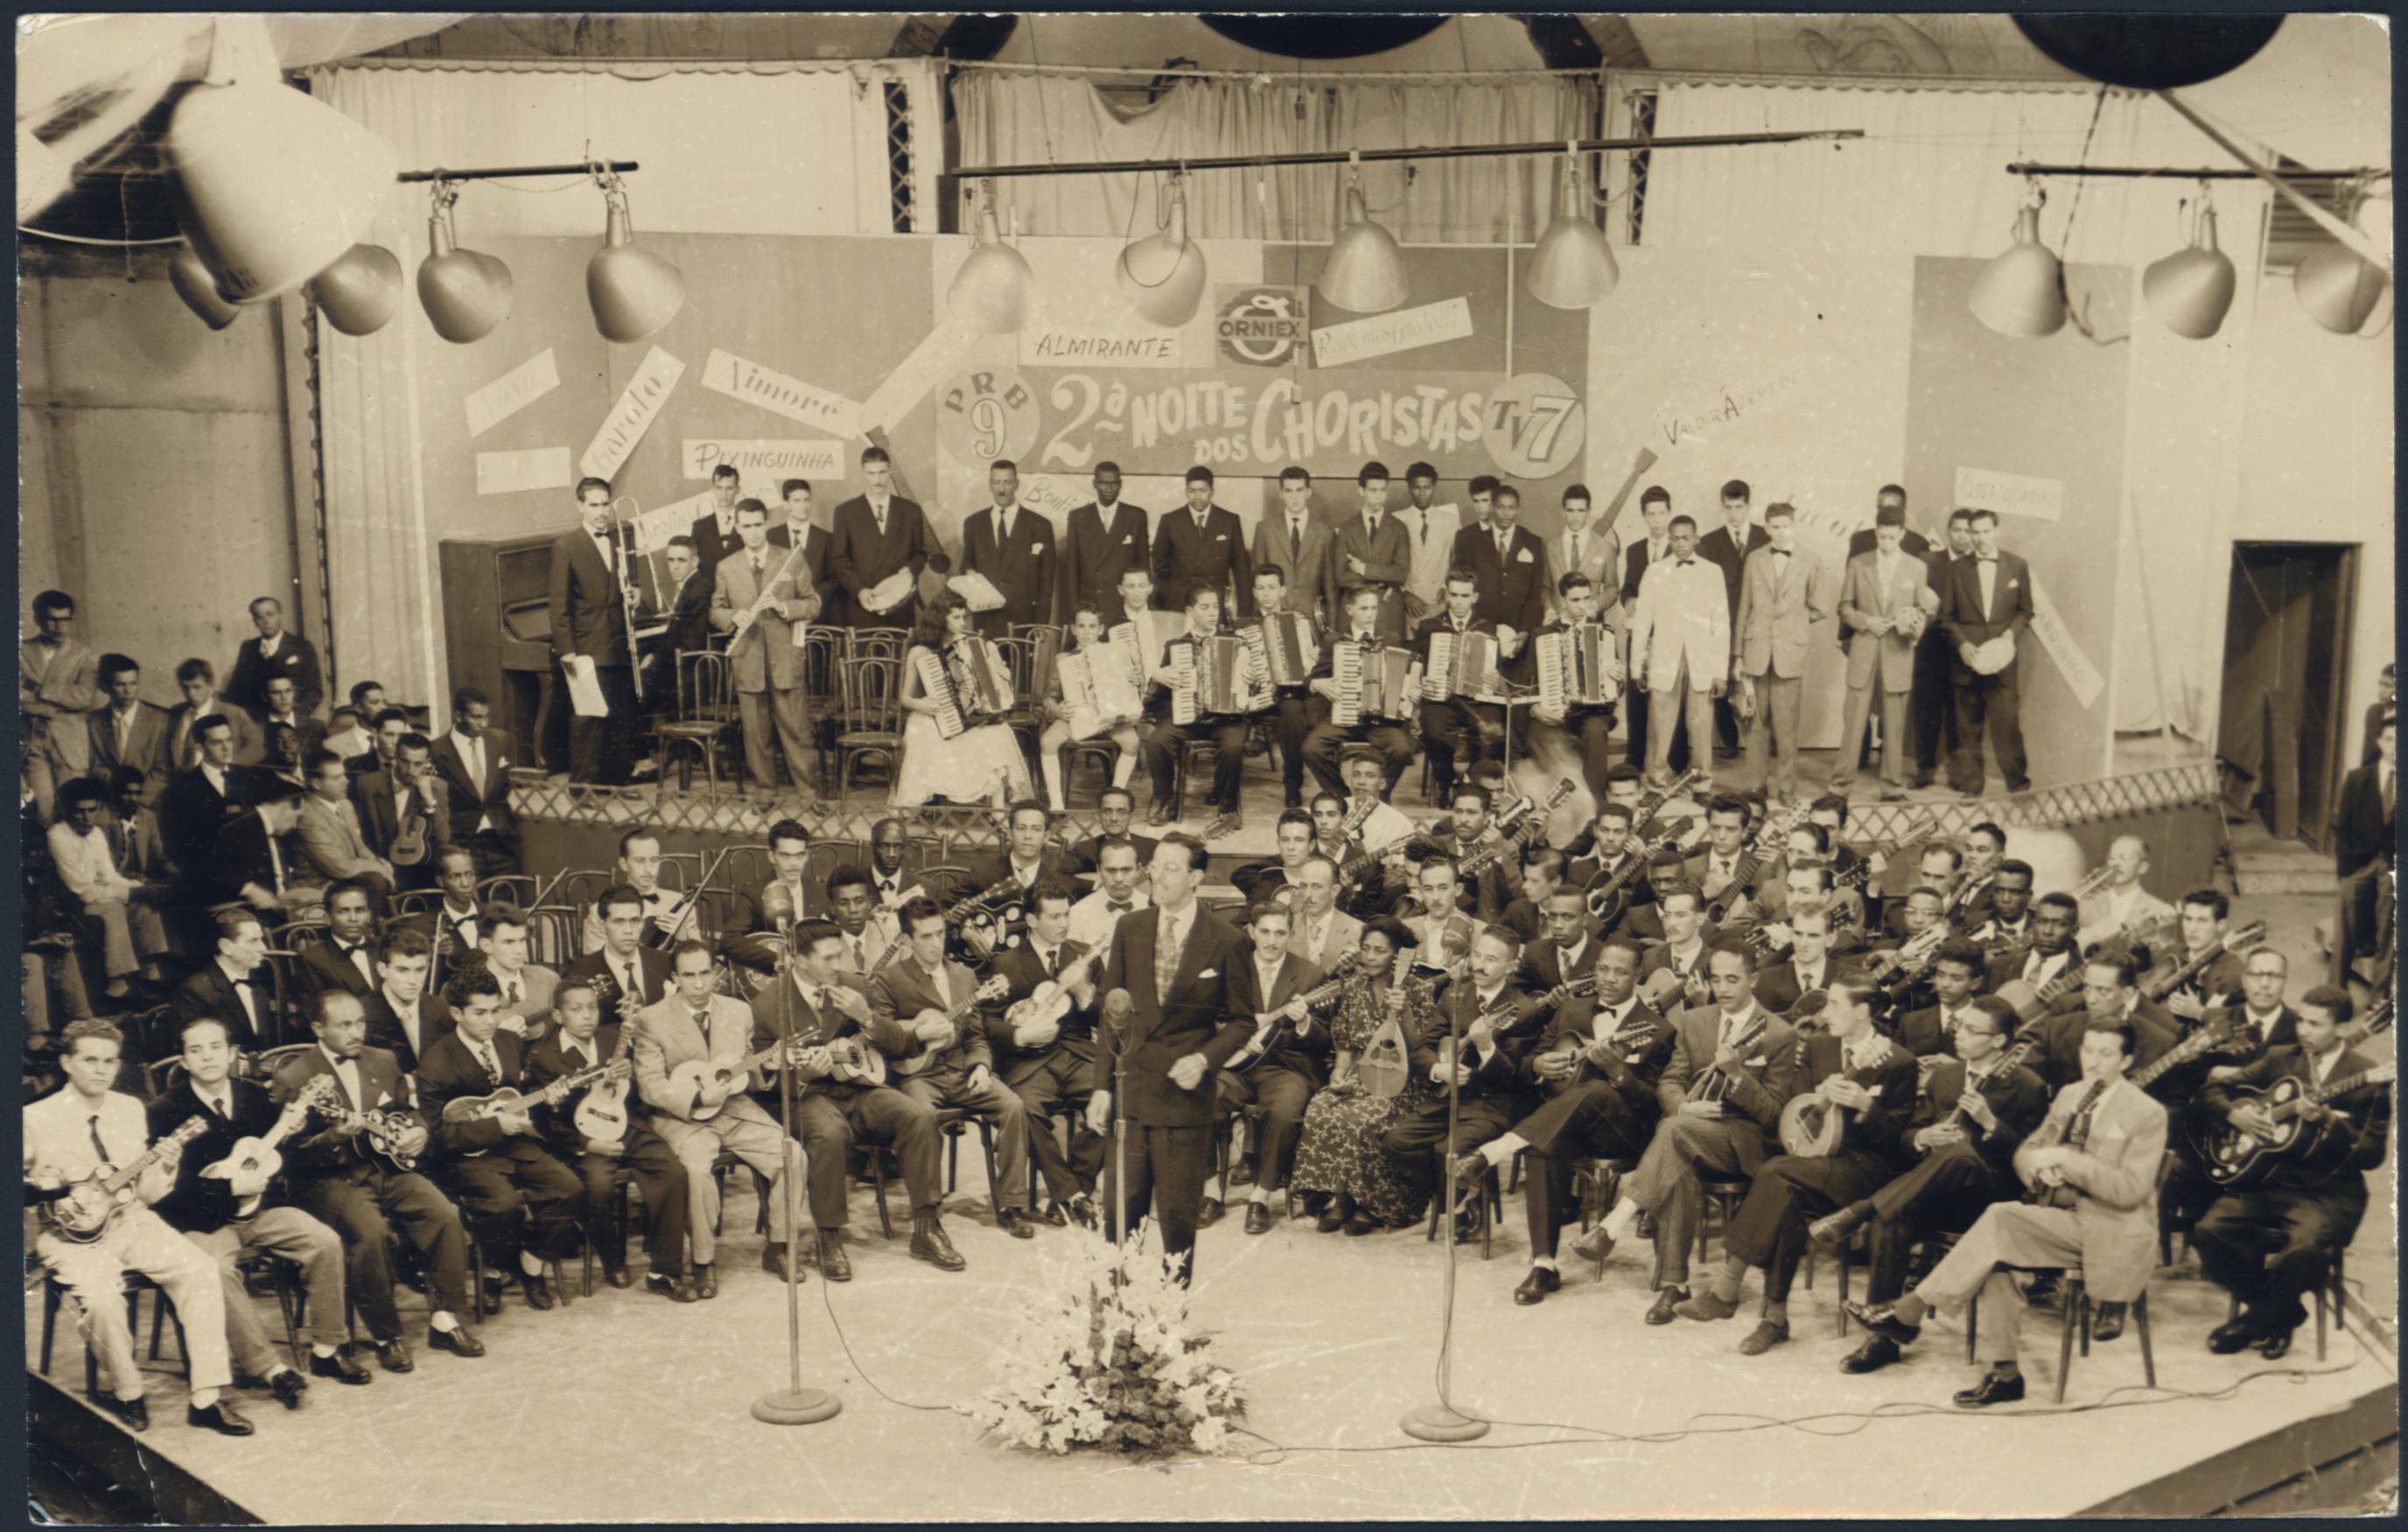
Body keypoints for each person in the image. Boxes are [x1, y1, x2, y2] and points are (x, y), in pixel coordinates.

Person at [1844, 1023, 2168, 1409]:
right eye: (2089, 1050)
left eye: (2106, 1054)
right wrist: (2036, 1165)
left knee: (2001, 1218)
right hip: (2059, 1217)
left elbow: (2130, 1190)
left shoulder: (2147, 1113)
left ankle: (1909, 1310)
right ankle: (2005, 1374)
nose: (2094, 1062)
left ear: (2126, 1061)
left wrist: (2067, 1160)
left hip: (2111, 1230)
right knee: (1997, 1256)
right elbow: (2026, 1151)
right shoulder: (2070, 1095)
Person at [26, 1019, 252, 1435]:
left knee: (201, 1270)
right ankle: (129, 1393)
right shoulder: (35, 1118)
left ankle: (206, 1399)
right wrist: (50, 1189)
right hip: (70, 1237)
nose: (101, 1070)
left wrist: (166, 1162)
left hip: (132, 1221)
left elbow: (147, 1195)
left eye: (110, 1061)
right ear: (67, 1062)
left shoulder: (130, 1109)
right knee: (101, 1298)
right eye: (90, 1060)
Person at [1674, 978, 1916, 1354]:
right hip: (1811, 1160)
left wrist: (1866, 1107)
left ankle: (1728, 1289)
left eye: (1835, 1005)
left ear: (1863, 1012)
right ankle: (1774, 1318)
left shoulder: (1898, 1061)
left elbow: (1900, 1140)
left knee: (1776, 1173)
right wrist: (1819, 1098)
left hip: (1866, 1168)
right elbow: (1791, 1107)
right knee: (1786, 1192)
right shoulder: (1820, 1047)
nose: (1826, 1013)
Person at [1818, 995, 2050, 1373]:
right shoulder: (1946, 1076)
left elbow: (2029, 1160)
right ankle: (1883, 1338)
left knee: (1959, 1154)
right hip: (1938, 1191)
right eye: (1961, 1026)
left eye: (1973, 1031)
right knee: (1891, 1223)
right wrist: (1923, 1138)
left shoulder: (2028, 1085)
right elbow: (1907, 1136)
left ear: (1999, 1041)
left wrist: (1992, 1124)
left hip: (1990, 1200)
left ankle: (1861, 1208)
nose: (1960, 1035)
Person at [1577, 943, 1799, 1321]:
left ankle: (1615, 1222)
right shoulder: (1696, 1021)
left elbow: (1773, 1115)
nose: (1723, 988)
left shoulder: (1779, 1033)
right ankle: (1674, 1286)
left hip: (1742, 1142)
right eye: (1716, 979)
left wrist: (1737, 1076)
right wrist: (1684, 1106)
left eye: (1733, 979)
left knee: (1672, 1132)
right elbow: (1671, 1081)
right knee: (1676, 1150)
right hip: (1689, 1132)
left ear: (1754, 980)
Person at [148, 1016, 362, 1406]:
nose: (208, 1057)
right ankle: (269, 1368)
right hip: (201, 1223)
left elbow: (281, 1158)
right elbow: (165, 1194)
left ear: (232, 1054)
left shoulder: (252, 1095)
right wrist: (227, 1187)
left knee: (325, 1241)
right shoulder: (165, 1109)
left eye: (216, 1048)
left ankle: (328, 1350)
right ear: (183, 1059)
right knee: (214, 1271)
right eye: (196, 1050)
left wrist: (289, 1133)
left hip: (260, 1213)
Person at [270, 990, 481, 1367]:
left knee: (444, 1213)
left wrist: (418, 1132)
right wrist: (333, 1137)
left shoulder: (383, 1060)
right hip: (329, 1180)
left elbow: (406, 1110)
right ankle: (388, 1336)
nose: (356, 1032)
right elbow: (286, 1158)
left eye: (361, 1022)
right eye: (344, 1025)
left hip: (386, 1166)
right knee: (372, 1233)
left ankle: (444, 1319)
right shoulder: (294, 1076)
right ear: (318, 1027)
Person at [2193, 986, 2390, 1360]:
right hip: (2270, 1180)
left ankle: (2259, 1320)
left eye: (2315, 1024)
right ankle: (2281, 1313)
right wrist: (2235, 1114)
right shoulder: (2281, 1058)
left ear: (2342, 1028)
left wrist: (2332, 1122)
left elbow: (2372, 1154)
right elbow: (2211, 1090)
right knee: (2209, 1232)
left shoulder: (2367, 1075)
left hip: (2328, 1194)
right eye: (2301, 1019)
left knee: (2302, 1251)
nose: (2303, 1030)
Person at [1088, 834, 1250, 1281]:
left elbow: (1242, 1021)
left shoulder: (1227, 939)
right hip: (1132, 1096)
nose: (1157, 875)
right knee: (1120, 1222)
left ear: (1196, 877)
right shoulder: (1130, 928)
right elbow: (1111, 1015)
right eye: (1155, 865)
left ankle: (1167, 1330)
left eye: (1171, 867)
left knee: (1178, 1228)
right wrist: (1102, 1086)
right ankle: (1117, 1321)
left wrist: (1204, 1059)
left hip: (1184, 1104)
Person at [1474, 938, 1671, 1302]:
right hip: (1566, 1122)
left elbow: (1653, 1104)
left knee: (1596, 1092)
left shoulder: (1658, 1028)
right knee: (1542, 1145)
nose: (1609, 978)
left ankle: (1497, 1149)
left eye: (1620, 972)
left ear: (1638, 976)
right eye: (1603, 969)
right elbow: (1526, 1062)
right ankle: (1543, 1265)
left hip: (1622, 1132)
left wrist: (1618, 1073)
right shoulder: (1570, 1010)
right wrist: (1537, 1064)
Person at [760, 918, 959, 1279]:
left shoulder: (853, 985)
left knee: (918, 1116)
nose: (839, 966)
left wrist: (865, 1017)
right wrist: (800, 1074)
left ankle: (927, 1228)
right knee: (829, 1135)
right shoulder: (770, 1003)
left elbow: (899, 1042)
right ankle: (829, 1236)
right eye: (829, 958)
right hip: (806, 1097)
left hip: (858, 1087)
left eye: (841, 956)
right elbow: (761, 1083)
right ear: (799, 959)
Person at [634, 941, 806, 1294]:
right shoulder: (651, 1019)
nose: (699, 984)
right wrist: (696, 1096)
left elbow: (744, 1069)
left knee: (793, 1155)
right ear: (675, 978)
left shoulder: (739, 1011)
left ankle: (779, 1246)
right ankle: (703, 1261)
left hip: (735, 1109)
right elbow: (650, 1086)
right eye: (689, 975)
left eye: (705, 974)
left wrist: (769, 1066)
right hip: (681, 1118)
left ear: (716, 973)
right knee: (697, 1172)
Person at [871, 895, 1037, 1237]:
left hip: (962, 1069)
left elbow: (976, 1034)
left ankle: (1011, 1205)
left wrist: (980, 1066)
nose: (936, 943)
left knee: (1014, 1106)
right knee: (922, 1116)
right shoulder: (891, 979)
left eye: (940, 933)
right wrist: (918, 1033)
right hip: (918, 1074)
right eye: (926, 937)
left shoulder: (964, 976)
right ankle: (928, 1215)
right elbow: (882, 1036)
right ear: (907, 939)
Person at [524, 976, 695, 1300]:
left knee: (673, 1172)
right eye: (576, 1009)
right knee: (600, 1186)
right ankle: (612, 1259)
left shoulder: (613, 1037)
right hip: (582, 1136)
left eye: (592, 1007)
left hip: (627, 1125)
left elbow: (635, 1097)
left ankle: (664, 1269)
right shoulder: (545, 1057)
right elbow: (544, 1124)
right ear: (558, 1016)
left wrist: (629, 1078)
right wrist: (587, 1145)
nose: (587, 1015)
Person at [1290, 916, 1436, 1233]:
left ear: (1397, 955)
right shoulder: (1354, 986)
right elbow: (1344, 1040)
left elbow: (1424, 1047)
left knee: (1365, 1118)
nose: (1369, 956)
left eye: (1379, 951)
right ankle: (1343, 1198)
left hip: (1402, 1080)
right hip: (1359, 1071)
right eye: (1365, 949)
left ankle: (1374, 1204)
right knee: (1321, 1109)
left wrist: (1406, 1010)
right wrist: (1339, 1075)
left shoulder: (1418, 989)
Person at [984, 879, 1106, 1226]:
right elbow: (988, 1024)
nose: (1064, 924)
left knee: (1116, 1102)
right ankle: (1072, 1195)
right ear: (1032, 920)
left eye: (1066, 914)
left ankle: (1072, 1191)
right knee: (1026, 1110)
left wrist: (1084, 992)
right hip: (1031, 1063)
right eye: (1054, 917)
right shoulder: (1005, 963)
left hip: (1080, 1054)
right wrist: (1020, 1034)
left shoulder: (1085, 957)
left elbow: (1112, 1015)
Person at [1207, 902, 1330, 1235]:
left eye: (1280, 933)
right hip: (1237, 1066)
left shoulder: (1310, 975)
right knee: (1203, 1096)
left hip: (1285, 1066)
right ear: (1251, 931)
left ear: (1291, 934)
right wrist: (1233, 1038)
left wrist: (1304, 1021)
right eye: (1265, 932)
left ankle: (1261, 1196)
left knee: (1286, 1111)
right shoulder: (1230, 968)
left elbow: (1325, 1038)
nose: (1272, 941)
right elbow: (1207, 1020)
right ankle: (1209, 1192)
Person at [711, 497, 822, 798]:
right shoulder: (726, 566)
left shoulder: (791, 558)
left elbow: (813, 603)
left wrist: (784, 607)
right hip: (747, 659)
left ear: (767, 524)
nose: (753, 532)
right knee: (756, 734)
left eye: (758, 525)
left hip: (785, 659)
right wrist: (734, 615)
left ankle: (808, 792)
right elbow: (716, 610)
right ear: (737, 527)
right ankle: (765, 791)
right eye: (746, 526)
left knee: (796, 731)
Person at [1730, 502, 1834, 806]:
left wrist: (1793, 627)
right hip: (1756, 652)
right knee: (1756, 724)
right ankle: (1755, 786)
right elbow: (1744, 608)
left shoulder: (1811, 560)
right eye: (1774, 527)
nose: (1780, 532)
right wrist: (1738, 655)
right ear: (1766, 529)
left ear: (1794, 525)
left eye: (1785, 526)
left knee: (1787, 728)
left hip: (1790, 654)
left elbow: (1820, 607)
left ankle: (1787, 789)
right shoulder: (1754, 559)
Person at [1140, 584, 1266, 831]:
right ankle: (1166, 801)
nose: (1212, 613)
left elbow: (1253, 692)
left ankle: (1227, 806)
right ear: (1190, 611)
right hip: (1188, 717)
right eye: (1204, 607)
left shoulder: (1237, 642)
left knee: (1232, 746)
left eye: (1215, 607)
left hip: (1226, 719)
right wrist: (1161, 677)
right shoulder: (1176, 647)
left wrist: (1251, 682)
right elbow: (1161, 696)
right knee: (1157, 742)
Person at [892, 592, 1034, 809]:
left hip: (972, 718)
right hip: (932, 716)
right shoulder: (920, 651)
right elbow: (905, 698)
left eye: (963, 617)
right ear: (941, 620)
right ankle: (914, 808)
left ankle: (998, 811)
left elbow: (989, 685)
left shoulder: (972, 646)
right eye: (956, 618)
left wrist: (1001, 673)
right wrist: (920, 704)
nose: (962, 623)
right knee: (923, 737)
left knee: (998, 733)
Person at [1836, 500, 1935, 801]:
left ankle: (1892, 787)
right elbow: (1844, 608)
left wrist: (1912, 623)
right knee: (1854, 723)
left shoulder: (1917, 567)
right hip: (1864, 651)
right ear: (1876, 533)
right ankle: (1839, 786)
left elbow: (1923, 611)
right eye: (1882, 536)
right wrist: (1866, 621)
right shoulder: (1858, 563)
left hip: (1897, 654)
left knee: (1894, 725)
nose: (1887, 543)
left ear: (1902, 533)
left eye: (1892, 537)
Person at [548, 476, 644, 785]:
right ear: (580, 507)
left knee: (620, 716)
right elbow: (558, 604)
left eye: (605, 504)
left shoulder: (620, 539)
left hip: (618, 643)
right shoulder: (567, 545)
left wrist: (635, 595)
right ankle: (584, 787)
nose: (601, 511)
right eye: (594, 505)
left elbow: (628, 586)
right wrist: (568, 651)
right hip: (587, 646)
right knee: (588, 719)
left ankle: (614, 783)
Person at [1628, 514, 1729, 793]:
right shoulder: (1655, 571)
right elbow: (1642, 623)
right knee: (1659, 724)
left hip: (1701, 660)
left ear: (1696, 538)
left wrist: (1720, 672)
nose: (1681, 544)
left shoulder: (1712, 572)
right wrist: (1637, 667)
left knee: (1700, 724)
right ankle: (1657, 781)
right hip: (1664, 659)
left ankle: (1701, 783)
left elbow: (1721, 625)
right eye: (1675, 538)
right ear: (1668, 539)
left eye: (1687, 538)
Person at [1937, 507, 2034, 798]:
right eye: (1974, 532)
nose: (1979, 538)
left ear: (1996, 531)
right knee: (1968, 729)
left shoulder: (2017, 566)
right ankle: (1971, 788)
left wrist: (2009, 636)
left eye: (1985, 532)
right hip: (1966, 662)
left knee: (2006, 726)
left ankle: (2018, 787)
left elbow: (2026, 611)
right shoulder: (1956, 569)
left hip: (2002, 663)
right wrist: (1963, 645)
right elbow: (1946, 617)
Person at [47, 778, 171, 998]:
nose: (87, 818)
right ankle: (118, 983)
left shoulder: (96, 834)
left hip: (99, 896)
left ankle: (149, 973)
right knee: (114, 909)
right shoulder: (57, 836)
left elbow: (110, 876)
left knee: (142, 904)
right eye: (79, 812)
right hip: (71, 904)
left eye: (92, 810)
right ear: (67, 811)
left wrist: (138, 888)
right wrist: (129, 892)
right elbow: (81, 890)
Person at [1299, 584, 1418, 801]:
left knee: (1401, 750)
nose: (1370, 614)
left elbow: (1405, 679)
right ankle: (1343, 797)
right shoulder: (1335, 641)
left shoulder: (1389, 638)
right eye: (1364, 608)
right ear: (1349, 609)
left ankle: (1379, 799)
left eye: (1374, 608)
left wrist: (1412, 692)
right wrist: (1318, 685)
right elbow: (1310, 679)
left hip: (1380, 722)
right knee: (1311, 748)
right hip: (1343, 718)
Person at [1525, 572, 1624, 804]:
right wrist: (1535, 708)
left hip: (1592, 712)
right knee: (1539, 735)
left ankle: (1598, 804)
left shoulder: (1604, 634)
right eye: (1575, 600)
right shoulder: (1543, 635)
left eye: (1587, 599)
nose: (1582, 606)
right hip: (1553, 712)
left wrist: (1617, 679)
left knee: (1595, 731)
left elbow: (1615, 689)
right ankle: (1550, 807)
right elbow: (1527, 683)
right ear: (1562, 600)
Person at [1038, 604, 1144, 812]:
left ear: (1101, 629)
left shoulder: (1116, 654)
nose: (1087, 632)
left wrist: (1134, 680)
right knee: (1047, 741)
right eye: (1082, 626)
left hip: (1111, 719)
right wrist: (1057, 710)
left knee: (1132, 742)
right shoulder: (1064, 660)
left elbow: (1132, 689)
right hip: (1077, 717)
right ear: (1074, 629)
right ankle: (1057, 805)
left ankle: (1114, 798)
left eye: (1092, 626)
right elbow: (1048, 698)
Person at [1413, 567, 1505, 805]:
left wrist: (1494, 678)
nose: (1459, 602)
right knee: (1434, 730)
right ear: (1446, 595)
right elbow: (1414, 664)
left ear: (1474, 597)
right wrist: (1420, 679)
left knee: (1491, 730)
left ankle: (1473, 788)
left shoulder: (1486, 627)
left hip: (1476, 700)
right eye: (1454, 595)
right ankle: (1445, 784)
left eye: (1465, 596)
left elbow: (1497, 670)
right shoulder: (1429, 627)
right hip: (1440, 699)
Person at [22, 589, 108, 818]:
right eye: (52, 619)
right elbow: (16, 696)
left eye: (65, 620)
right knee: (43, 811)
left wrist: (42, 690)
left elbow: (83, 697)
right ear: (38, 620)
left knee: (75, 807)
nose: (59, 626)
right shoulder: (21, 651)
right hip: (33, 741)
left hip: (70, 742)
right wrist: (56, 705)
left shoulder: (85, 654)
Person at [830, 444, 934, 631]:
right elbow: (839, 560)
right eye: (871, 473)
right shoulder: (845, 512)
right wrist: (859, 591)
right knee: (865, 659)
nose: (877, 480)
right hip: (863, 604)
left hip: (900, 605)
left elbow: (920, 554)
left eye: (882, 473)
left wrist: (911, 569)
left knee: (899, 658)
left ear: (889, 472)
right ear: (863, 472)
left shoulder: (911, 511)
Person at [1247, 563, 1323, 809]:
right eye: (1261, 588)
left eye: (1271, 587)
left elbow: (1312, 660)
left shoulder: (1299, 621)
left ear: (1282, 590)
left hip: (1287, 694)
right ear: (1254, 592)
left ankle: (1292, 784)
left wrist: (1311, 655)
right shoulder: (1243, 625)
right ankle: (1222, 788)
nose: (1266, 593)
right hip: (1254, 697)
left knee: (1292, 710)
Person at [958, 458, 1057, 637]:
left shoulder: (1039, 525)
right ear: (990, 485)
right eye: (996, 482)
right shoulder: (973, 523)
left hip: (1023, 622)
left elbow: (1046, 583)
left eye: (1007, 482)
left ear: (1016, 484)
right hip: (985, 620)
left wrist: (1040, 626)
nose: (1001, 489)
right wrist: (970, 571)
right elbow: (967, 561)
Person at [1913, 506, 1975, 787]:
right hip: (1930, 648)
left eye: (1968, 531)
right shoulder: (1927, 560)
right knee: (1927, 711)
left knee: (1960, 715)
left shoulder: (1981, 566)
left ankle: (1958, 775)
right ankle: (1925, 770)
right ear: (1949, 532)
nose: (1962, 537)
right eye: (1957, 530)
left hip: (1963, 651)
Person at [2330, 710, 2392, 989]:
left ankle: (2379, 995)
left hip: (2394, 864)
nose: (2396, 746)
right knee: (2345, 908)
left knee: (2390, 920)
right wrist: (2345, 871)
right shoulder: (2357, 779)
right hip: (2361, 861)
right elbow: (2342, 827)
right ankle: (2336, 989)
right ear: (2380, 742)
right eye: (2391, 739)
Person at [430, 687, 518, 878]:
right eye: (476, 717)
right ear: (458, 716)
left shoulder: (500, 740)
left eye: (486, 717)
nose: (483, 724)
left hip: (501, 839)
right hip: (463, 842)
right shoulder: (437, 750)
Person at [1325, 460, 1410, 643]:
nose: (1379, 496)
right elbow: (1342, 576)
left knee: (1390, 663)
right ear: (1361, 491)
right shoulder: (1346, 528)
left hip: (1388, 610)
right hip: (1355, 611)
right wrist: (1382, 581)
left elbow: (1401, 573)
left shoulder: (1399, 528)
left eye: (1383, 490)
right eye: (1373, 490)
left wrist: (1363, 569)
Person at [355, 731, 450, 892]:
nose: (410, 770)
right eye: (405, 761)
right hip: (382, 864)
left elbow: (443, 840)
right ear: (395, 758)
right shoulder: (367, 785)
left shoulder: (437, 787)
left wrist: (429, 800)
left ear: (427, 763)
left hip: (422, 867)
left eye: (417, 764)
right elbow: (358, 833)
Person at [1059, 460, 1150, 614]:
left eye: (1114, 484)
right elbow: (1072, 569)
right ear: (1095, 484)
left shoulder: (1136, 516)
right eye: (1104, 483)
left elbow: (1144, 565)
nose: (1109, 489)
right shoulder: (1078, 517)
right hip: (1090, 604)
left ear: (1120, 484)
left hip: (1124, 604)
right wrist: (1075, 609)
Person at [402, 847, 491, 994]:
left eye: (470, 875)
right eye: (456, 876)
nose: (466, 883)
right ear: (441, 881)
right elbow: (414, 983)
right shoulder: (420, 926)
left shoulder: (493, 914)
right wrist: (432, 954)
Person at [1253, 466, 1333, 626]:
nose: (1295, 497)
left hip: (1311, 621)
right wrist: (1258, 622)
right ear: (1281, 494)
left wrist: (1331, 628)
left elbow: (1330, 587)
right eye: (1289, 491)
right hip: (1272, 619)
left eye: (1300, 490)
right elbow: (1257, 579)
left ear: (1309, 492)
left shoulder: (1325, 532)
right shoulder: (1265, 529)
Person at [87, 654, 170, 799]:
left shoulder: (159, 719)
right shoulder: (94, 721)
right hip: (109, 798)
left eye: (133, 683)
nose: (128, 691)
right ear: (106, 687)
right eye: (120, 684)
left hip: (148, 801)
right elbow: (94, 765)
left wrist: (137, 798)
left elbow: (162, 769)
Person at [2076, 835, 2175, 949]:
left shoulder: (2163, 911)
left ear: (2143, 867)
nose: (2116, 864)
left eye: (2125, 858)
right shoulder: (2085, 904)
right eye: (2112, 858)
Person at [1068, 837, 1151, 952]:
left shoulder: (1152, 909)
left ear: (1138, 869)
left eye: (1126, 870)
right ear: (1099, 870)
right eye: (1111, 870)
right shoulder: (1078, 912)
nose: (1119, 879)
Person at [683, 463, 750, 579]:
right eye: (719, 488)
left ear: (737, 489)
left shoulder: (749, 523)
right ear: (712, 489)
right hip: (709, 594)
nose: (724, 494)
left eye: (729, 488)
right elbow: (694, 567)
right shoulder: (700, 527)